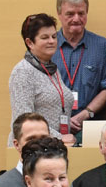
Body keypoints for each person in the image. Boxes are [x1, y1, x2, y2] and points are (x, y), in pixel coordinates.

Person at [53, 0, 106, 139]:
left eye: (81, 13)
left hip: (89, 126)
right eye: (70, 14)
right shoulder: (48, 46)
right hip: (52, 125)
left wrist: (85, 114)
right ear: (59, 14)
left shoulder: (101, 46)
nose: (76, 18)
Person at [9, 13, 76, 144]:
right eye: (45, 37)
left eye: (54, 36)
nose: (51, 41)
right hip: (32, 149)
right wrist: (59, 137)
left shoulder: (53, 69)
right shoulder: (22, 72)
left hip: (54, 147)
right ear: (30, 43)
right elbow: (24, 120)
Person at [0, 113, 73, 187]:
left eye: (44, 138)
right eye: (31, 139)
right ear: (16, 144)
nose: (39, 144)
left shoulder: (62, 186)